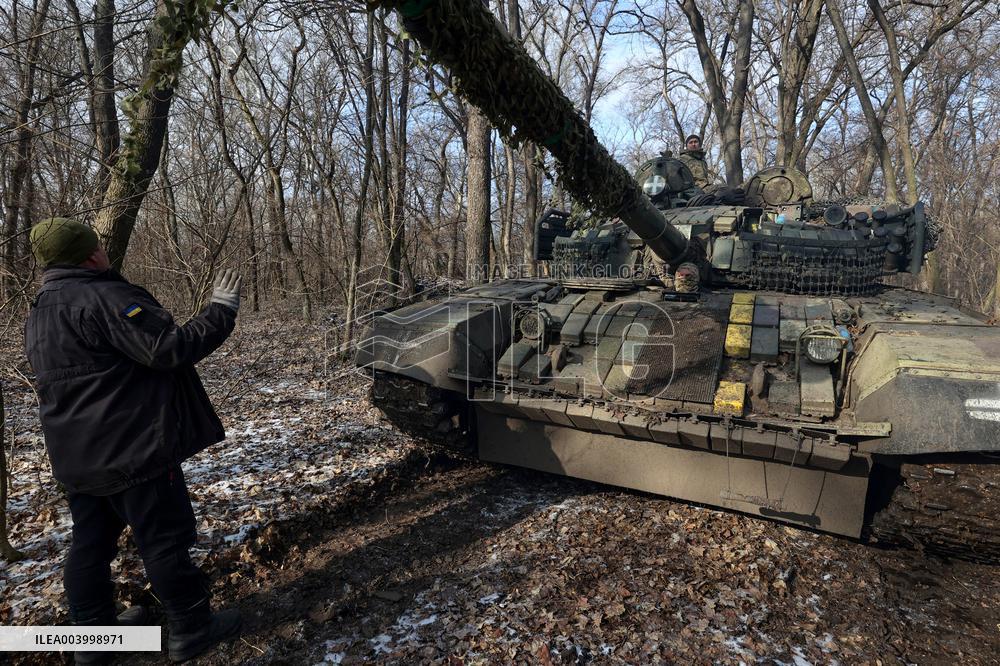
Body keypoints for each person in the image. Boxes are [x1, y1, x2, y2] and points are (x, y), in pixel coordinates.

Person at [24, 217, 243, 664]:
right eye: (98, 245)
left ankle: (92, 642)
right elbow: (168, 350)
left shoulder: (39, 309)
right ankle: (191, 628)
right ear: (91, 255)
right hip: (130, 448)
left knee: (91, 542)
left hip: (75, 455)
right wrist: (221, 311)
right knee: (163, 538)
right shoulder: (104, 297)